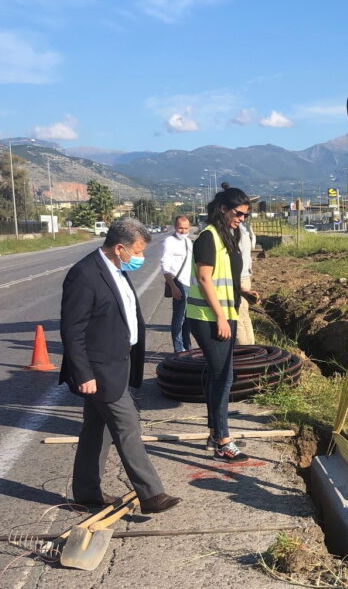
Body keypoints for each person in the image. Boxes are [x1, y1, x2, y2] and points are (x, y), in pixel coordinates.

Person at [60, 216, 181, 514]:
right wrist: (83, 374)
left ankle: (86, 495)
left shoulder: (115, 269)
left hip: (118, 362)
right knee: (128, 426)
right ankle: (151, 495)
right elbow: (72, 331)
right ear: (118, 248)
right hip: (99, 370)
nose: (139, 258)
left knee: (95, 431)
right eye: (137, 252)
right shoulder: (85, 275)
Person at [186, 185, 260, 463]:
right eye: (238, 213)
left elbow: (225, 276)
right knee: (223, 377)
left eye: (245, 215)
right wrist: (220, 317)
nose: (242, 218)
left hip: (224, 312)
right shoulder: (208, 237)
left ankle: (215, 432)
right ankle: (223, 442)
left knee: (219, 375)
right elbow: (205, 279)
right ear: (222, 209)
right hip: (207, 317)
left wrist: (243, 293)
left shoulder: (227, 235)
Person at [160, 215, 193, 355]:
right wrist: (173, 286)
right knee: (179, 319)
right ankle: (179, 350)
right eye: (180, 228)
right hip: (179, 283)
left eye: (186, 228)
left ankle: (188, 348)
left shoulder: (188, 241)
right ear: (175, 226)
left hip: (190, 284)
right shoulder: (169, 241)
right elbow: (164, 266)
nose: (183, 231)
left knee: (188, 320)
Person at [235, 217, 257, 345]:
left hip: (239, 278)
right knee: (244, 316)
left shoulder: (236, 234)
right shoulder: (246, 232)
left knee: (237, 316)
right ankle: (251, 347)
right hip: (245, 278)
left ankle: (244, 351)